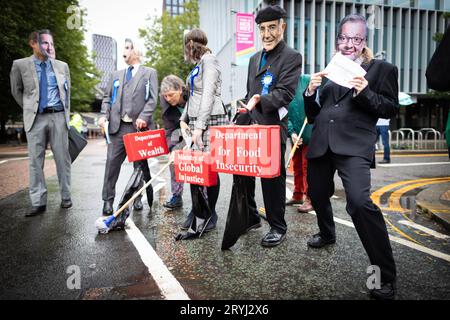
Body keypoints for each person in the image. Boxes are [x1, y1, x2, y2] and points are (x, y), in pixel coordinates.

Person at [303, 14, 398, 299]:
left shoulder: (381, 68)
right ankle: (328, 233)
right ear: (338, 40)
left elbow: (389, 108)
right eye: (344, 38)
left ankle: (383, 275)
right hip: (321, 142)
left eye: (355, 39)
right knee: (317, 194)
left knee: (358, 202)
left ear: (364, 41)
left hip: (354, 145)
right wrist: (310, 93)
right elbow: (315, 114)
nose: (349, 44)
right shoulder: (332, 69)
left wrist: (365, 91)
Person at [240, 5, 302, 247]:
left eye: (272, 28)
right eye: (262, 29)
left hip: (274, 126)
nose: (266, 34)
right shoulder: (254, 58)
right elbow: (250, 92)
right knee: (244, 174)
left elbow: (285, 93)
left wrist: (259, 101)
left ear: (282, 27)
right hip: (251, 125)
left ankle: (278, 226)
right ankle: (251, 216)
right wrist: (245, 105)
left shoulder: (292, 57)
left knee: (272, 178)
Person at [10, 29, 72, 217]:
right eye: (45, 43)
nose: (49, 47)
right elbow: (16, 91)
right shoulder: (19, 65)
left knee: (63, 159)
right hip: (36, 118)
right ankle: (38, 202)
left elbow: (67, 93)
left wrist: (64, 115)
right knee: (35, 162)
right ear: (33, 43)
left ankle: (66, 197)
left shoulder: (62, 66)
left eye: (51, 44)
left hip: (58, 117)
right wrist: (30, 108)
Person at [98, 39, 158, 215]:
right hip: (117, 128)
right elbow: (107, 98)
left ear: (135, 51)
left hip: (138, 129)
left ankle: (137, 197)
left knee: (139, 167)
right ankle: (107, 201)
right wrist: (103, 115)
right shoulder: (116, 75)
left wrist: (144, 117)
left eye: (127, 48)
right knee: (111, 166)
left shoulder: (149, 73)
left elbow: (152, 99)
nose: (123, 51)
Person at [179, 28, 227, 232]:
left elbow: (207, 94)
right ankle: (197, 209)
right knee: (195, 170)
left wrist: (198, 127)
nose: (186, 50)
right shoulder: (198, 65)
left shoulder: (210, 60)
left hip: (210, 121)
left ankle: (210, 213)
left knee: (209, 169)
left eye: (186, 45)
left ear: (191, 44)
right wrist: (184, 119)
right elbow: (193, 98)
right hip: (196, 122)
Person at [286, 74, 314, 214]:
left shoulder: (307, 80)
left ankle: (310, 198)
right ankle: (297, 194)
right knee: (296, 165)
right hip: (296, 134)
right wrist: (292, 133)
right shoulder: (284, 85)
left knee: (307, 166)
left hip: (310, 131)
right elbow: (285, 113)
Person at [160, 75, 188, 209]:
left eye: (171, 95)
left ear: (180, 90)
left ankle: (203, 200)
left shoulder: (193, 95)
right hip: (178, 132)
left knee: (201, 164)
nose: (168, 99)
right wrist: (173, 149)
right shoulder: (166, 103)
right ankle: (177, 196)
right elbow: (170, 129)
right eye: (165, 96)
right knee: (174, 162)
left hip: (198, 129)